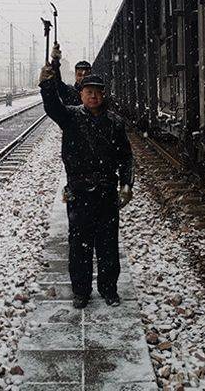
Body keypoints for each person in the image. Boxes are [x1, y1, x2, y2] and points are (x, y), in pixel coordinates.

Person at [39, 65, 134, 309]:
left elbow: (126, 156)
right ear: (80, 94)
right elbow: (52, 107)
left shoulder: (115, 122)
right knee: (79, 245)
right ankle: (81, 291)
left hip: (106, 192)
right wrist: (47, 85)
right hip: (78, 192)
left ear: (104, 94)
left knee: (107, 244)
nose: (94, 96)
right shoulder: (70, 117)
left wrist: (126, 184)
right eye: (89, 92)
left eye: (98, 92)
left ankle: (109, 289)